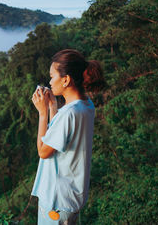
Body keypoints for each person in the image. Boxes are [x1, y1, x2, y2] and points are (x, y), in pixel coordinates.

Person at [31, 49, 105, 224]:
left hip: (56, 202)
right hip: (71, 199)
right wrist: (52, 107)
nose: (49, 81)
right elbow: (60, 136)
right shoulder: (86, 105)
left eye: (52, 76)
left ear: (66, 80)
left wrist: (42, 114)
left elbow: (43, 151)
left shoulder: (68, 114)